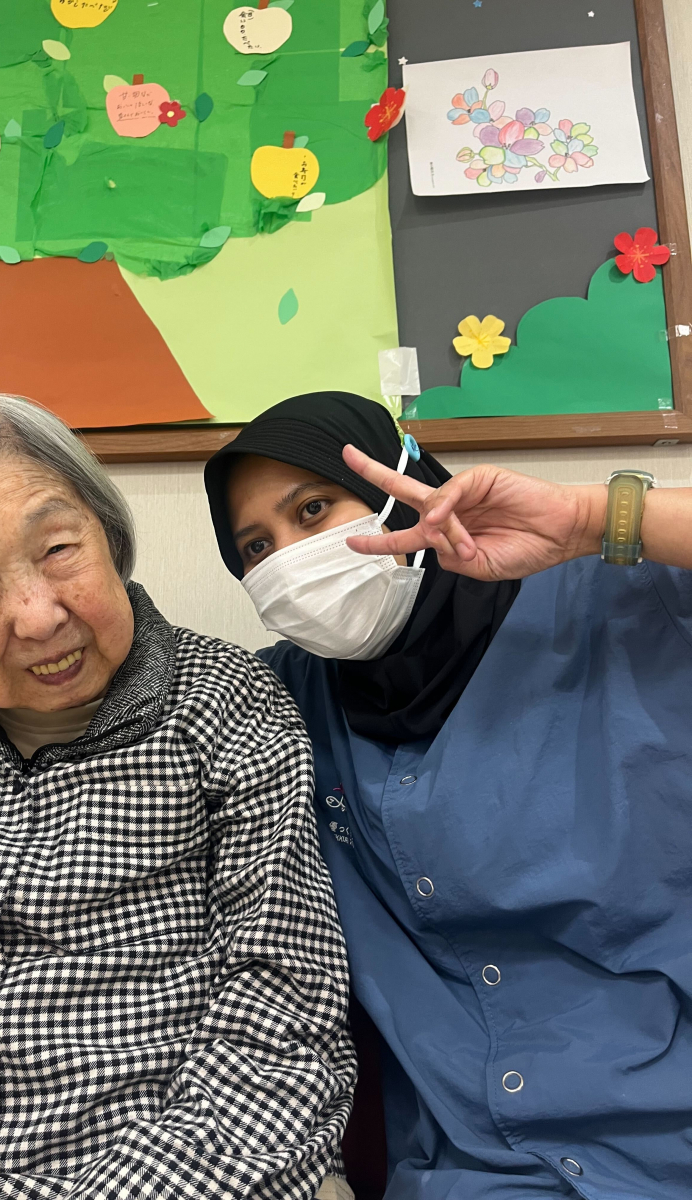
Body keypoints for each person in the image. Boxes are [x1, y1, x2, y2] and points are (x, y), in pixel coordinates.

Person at [0, 390, 357, 1200]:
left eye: (58, 549)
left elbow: (285, 1019)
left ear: (110, 536)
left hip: (176, 1175)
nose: (36, 616)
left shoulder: (225, 702)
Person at [205, 391, 692, 1199]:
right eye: (257, 546)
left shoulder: (613, 603)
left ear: (407, 490)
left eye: (314, 508)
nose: (291, 558)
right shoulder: (281, 703)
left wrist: (591, 516)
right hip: (477, 1169)